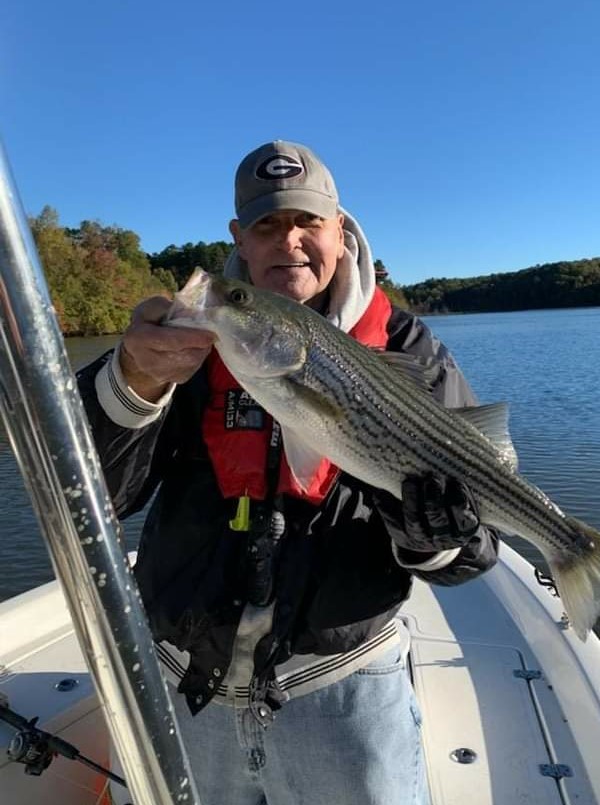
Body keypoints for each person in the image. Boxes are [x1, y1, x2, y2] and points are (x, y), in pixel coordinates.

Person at [78, 140, 499, 805]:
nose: (289, 241)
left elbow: (471, 555)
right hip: (185, 680)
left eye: (308, 221)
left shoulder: (409, 352)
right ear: (239, 238)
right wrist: (133, 380)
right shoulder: (185, 338)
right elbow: (92, 497)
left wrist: (430, 534)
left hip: (345, 688)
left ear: (340, 229)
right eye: (267, 225)